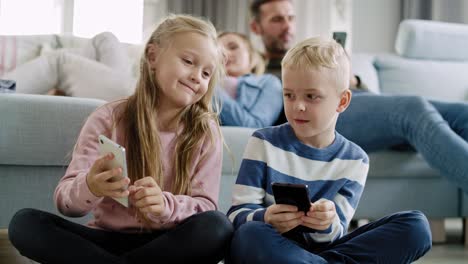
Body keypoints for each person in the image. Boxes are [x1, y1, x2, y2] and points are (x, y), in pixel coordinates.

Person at [8, 14, 233, 264]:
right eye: (188, 61)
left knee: (218, 226)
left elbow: (205, 207)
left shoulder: (205, 131)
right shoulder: (108, 118)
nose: (196, 77)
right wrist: (90, 186)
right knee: (24, 223)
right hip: (106, 238)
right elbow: (65, 202)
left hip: (168, 243)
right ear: (152, 56)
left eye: (206, 74)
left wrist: (166, 206)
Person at [227, 36, 432, 264]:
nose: (298, 106)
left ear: (342, 101)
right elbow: (236, 215)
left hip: (320, 252)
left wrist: (326, 223)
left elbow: (335, 235)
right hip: (270, 244)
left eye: (311, 96)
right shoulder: (263, 141)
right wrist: (265, 217)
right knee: (250, 234)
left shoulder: (356, 159)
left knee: (415, 226)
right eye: (289, 95)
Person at [250, 0, 468, 194]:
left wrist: (352, 81)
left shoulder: (310, 56)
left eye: (291, 18)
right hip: (322, 116)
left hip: (351, 102)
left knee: (461, 113)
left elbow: (375, 103)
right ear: (256, 27)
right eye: (277, 20)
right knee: (412, 109)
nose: (287, 26)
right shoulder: (253, 65)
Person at [2, 31, 135, 101]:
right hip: (134, 94)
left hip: (137, 97)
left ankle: (2, 89)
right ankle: (68, 97)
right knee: (105, 38)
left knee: (59, 63)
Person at [216, 31, 283, 128]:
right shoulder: (200, 83)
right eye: (217, 51)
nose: (224, 54)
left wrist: (214, 92)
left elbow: (255, 127)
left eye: (233, 47)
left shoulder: (269, 82)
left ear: (251, 55)